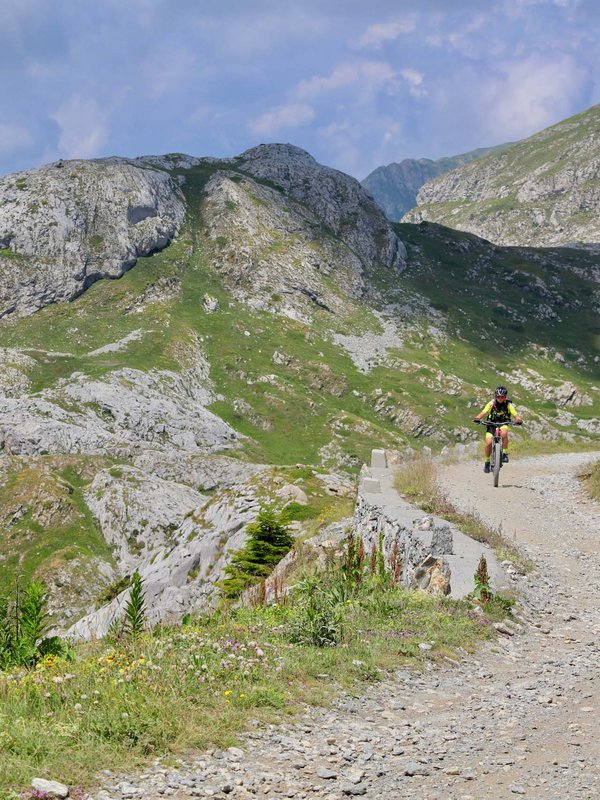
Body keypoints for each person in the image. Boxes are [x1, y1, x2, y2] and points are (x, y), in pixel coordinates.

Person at [473, 385, 523, 473]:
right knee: (488, 443)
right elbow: (484, 412)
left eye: (502, 397)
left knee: (504, 434)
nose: (500, 399)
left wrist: (518, 419)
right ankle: (487, 462)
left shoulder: (508, 404)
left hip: (503, 423)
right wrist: (478, 418)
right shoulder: (491, 403)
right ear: (496, 396)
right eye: (498, 397)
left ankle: (504, 453)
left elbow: (515, 414)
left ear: (505, 397)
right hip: (491, 424)